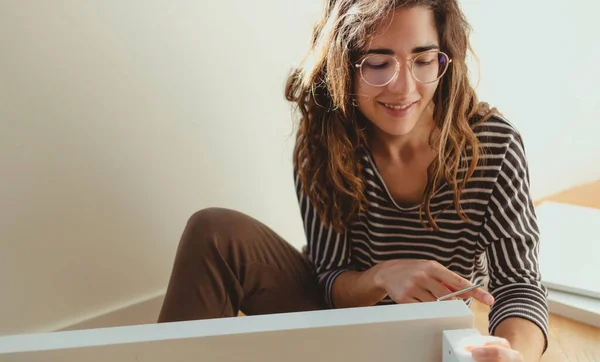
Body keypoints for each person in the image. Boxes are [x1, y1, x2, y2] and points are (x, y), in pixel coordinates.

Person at [157, 0, 548, 361]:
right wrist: (383, 276)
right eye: (379, 63)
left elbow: (520, 285)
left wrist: (513, 355)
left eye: (423, 59)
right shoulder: (325, 140)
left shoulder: (493, 146)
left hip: (424, 340)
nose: (404, 87)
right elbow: (329, 279)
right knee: (214, 230)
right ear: (344, 65)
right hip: (336, 320)